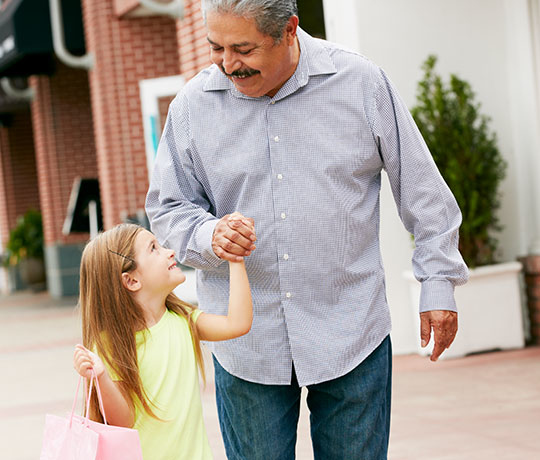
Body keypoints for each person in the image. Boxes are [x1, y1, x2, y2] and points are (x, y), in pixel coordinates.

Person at [146, 0, 469, 458]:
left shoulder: (361, 84)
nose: (227, 64)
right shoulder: (192, 107)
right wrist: (208, 235)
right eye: (216, 47)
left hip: (351, 331)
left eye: (243, 48)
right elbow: (168, 206)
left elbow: (424, 194)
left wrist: (437, 283)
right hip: (246, 345)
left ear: (289, 30)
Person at [72, 220, 253, 460]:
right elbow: (122, 421)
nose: (170, 252)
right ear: (131, 281)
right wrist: (101, 377)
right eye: (154, 248)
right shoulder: (110, 346)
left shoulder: (184, 320)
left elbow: (237, 323)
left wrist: (235, 257)